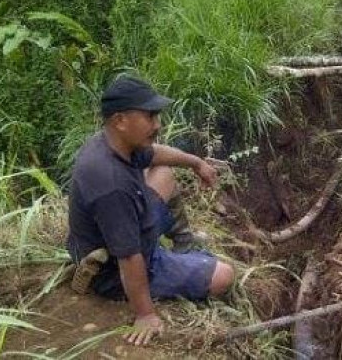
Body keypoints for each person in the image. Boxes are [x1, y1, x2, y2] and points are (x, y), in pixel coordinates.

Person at [67, 75, 234, 346]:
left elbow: (155, 154)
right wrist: (145, 314)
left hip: (129, 225)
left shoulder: (113, 142)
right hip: (115, 268)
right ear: (120, 120)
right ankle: (158, 265)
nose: (157, 124)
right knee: (224, 276)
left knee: (164, 174)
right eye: (150, 116)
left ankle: (184, 245)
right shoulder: (111, 186)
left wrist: (196, 163)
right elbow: (130, 258)